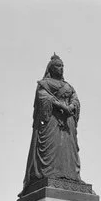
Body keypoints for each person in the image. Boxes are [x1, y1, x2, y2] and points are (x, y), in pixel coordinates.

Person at [22, 54, 82, 192]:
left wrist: (71, 106)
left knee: (68, 148)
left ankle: (71, 175)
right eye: (58, 66)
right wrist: (61, 106)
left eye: (62, 66)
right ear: (51, 68)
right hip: (52, 120)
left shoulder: (68, 86)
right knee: (51, 147)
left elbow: (75, 99)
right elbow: (43, 97)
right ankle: (49, 174)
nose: (61, 69)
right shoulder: (44, 84)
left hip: (67, 122)